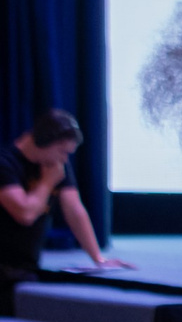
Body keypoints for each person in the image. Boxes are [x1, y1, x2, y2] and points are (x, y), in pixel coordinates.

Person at [0, 110, 133, 310]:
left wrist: (98, 258)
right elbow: (25, 214)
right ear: (43, 141)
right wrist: (47, 182)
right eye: (62, 151)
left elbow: (75, 210)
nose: (64, 159)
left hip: (26, 265)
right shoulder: (6, 163)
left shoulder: (54, 164)